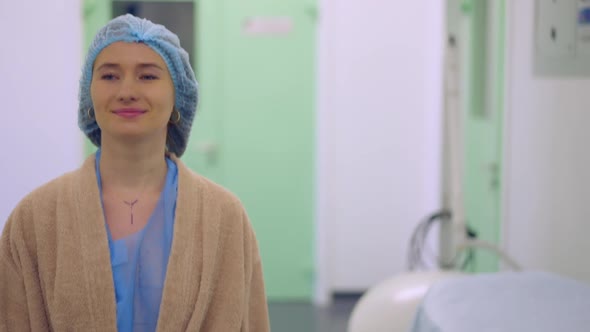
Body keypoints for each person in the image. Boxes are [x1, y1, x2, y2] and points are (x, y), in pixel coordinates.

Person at [0, 14, 270, 331]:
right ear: (90, 96)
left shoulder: (225, 218)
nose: (127, 91)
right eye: (110, 76)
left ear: (178, 98)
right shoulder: (35, 218)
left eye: (148, 76)